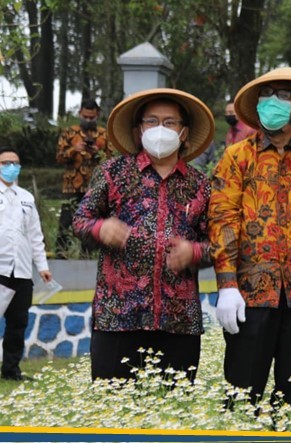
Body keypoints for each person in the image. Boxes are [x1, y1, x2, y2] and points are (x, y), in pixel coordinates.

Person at [209, 67, 291, 408]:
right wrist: (226, 285)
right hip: (251, 294)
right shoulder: (237, 156)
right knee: (241, 395)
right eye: (267, 95)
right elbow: (223, 218)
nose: (273, 103)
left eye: (283, 96)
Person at [72, 88, 215, 382]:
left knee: (174, 415)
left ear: (184, 133)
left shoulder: (201, 185)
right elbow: (80, 221)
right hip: (118, 318)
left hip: (179, 322)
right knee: (112, 413)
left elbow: (221, 244)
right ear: (138, 131)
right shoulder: (112, 172)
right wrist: (102, 228)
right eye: (151, 121)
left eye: (169, 122)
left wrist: (195, 252)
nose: (159, 129)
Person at [0, 146, 52, 381]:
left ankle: (11, 370)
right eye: (5, 163)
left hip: (21, 271)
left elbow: (35, 236)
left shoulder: (26, 198)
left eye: (15, 163)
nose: (11, 167)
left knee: (17, 324)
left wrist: (42, 266)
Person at [55, 98, 114, 258]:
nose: (88, 120)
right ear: (80, 113)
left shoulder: (104, 134)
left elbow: (111, 161)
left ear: (97, 115)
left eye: (91, 118)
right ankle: (61, 256)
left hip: (95, 188)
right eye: (85, 117)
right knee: (66, 223)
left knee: (91, 223)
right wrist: (74, 149)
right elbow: (59, 157)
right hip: (71, 186)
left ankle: (87, 257)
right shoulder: (69, 132)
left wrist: (97, 152)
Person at [192, 101, 257, 174]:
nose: (228, 115)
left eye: (231, 112)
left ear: (239, 113)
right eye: (227, 113)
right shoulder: (230, 131)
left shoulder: (250, 130)